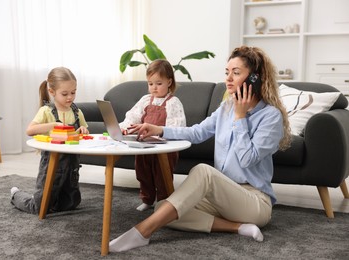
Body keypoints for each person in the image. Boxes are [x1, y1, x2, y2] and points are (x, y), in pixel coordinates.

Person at [108, 46, 292, 252]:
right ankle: (238, 227)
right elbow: (197, 133)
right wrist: (159, 129)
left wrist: (240, 118)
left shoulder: (270, 116)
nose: (228, 79)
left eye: (236, 73)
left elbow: (247, 159)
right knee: (164, 208)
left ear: (255, 79)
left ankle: (142, 232)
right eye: (227, 72)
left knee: (202, 171)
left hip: (254, 202)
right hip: (221, 197)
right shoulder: (226, 108)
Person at [10, 67, 89, 214]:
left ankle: (56, 200)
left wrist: (83, 131)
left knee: (71, 203)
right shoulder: (46, 111)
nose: (70, 97)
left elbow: (83, 131)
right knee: (40, 207)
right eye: (64, 94)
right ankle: (16, 195)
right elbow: (30, 130)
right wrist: (53, 125)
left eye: (73, 92)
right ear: (52, 92)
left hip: (72, 165)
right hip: (52, 163)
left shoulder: (77, 112)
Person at [119, 59, 186, 211]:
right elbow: (131, 117)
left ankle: (164, 202)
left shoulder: (173, 102)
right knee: (143, 172)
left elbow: (177, 127)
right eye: (150, 84)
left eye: (158, 83)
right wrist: (123, 128)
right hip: (144, 145)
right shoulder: (145, 100)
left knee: (162, 175)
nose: (154, 88)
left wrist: (160, 132)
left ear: (169, 82)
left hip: (164, 148)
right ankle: (147, 200)